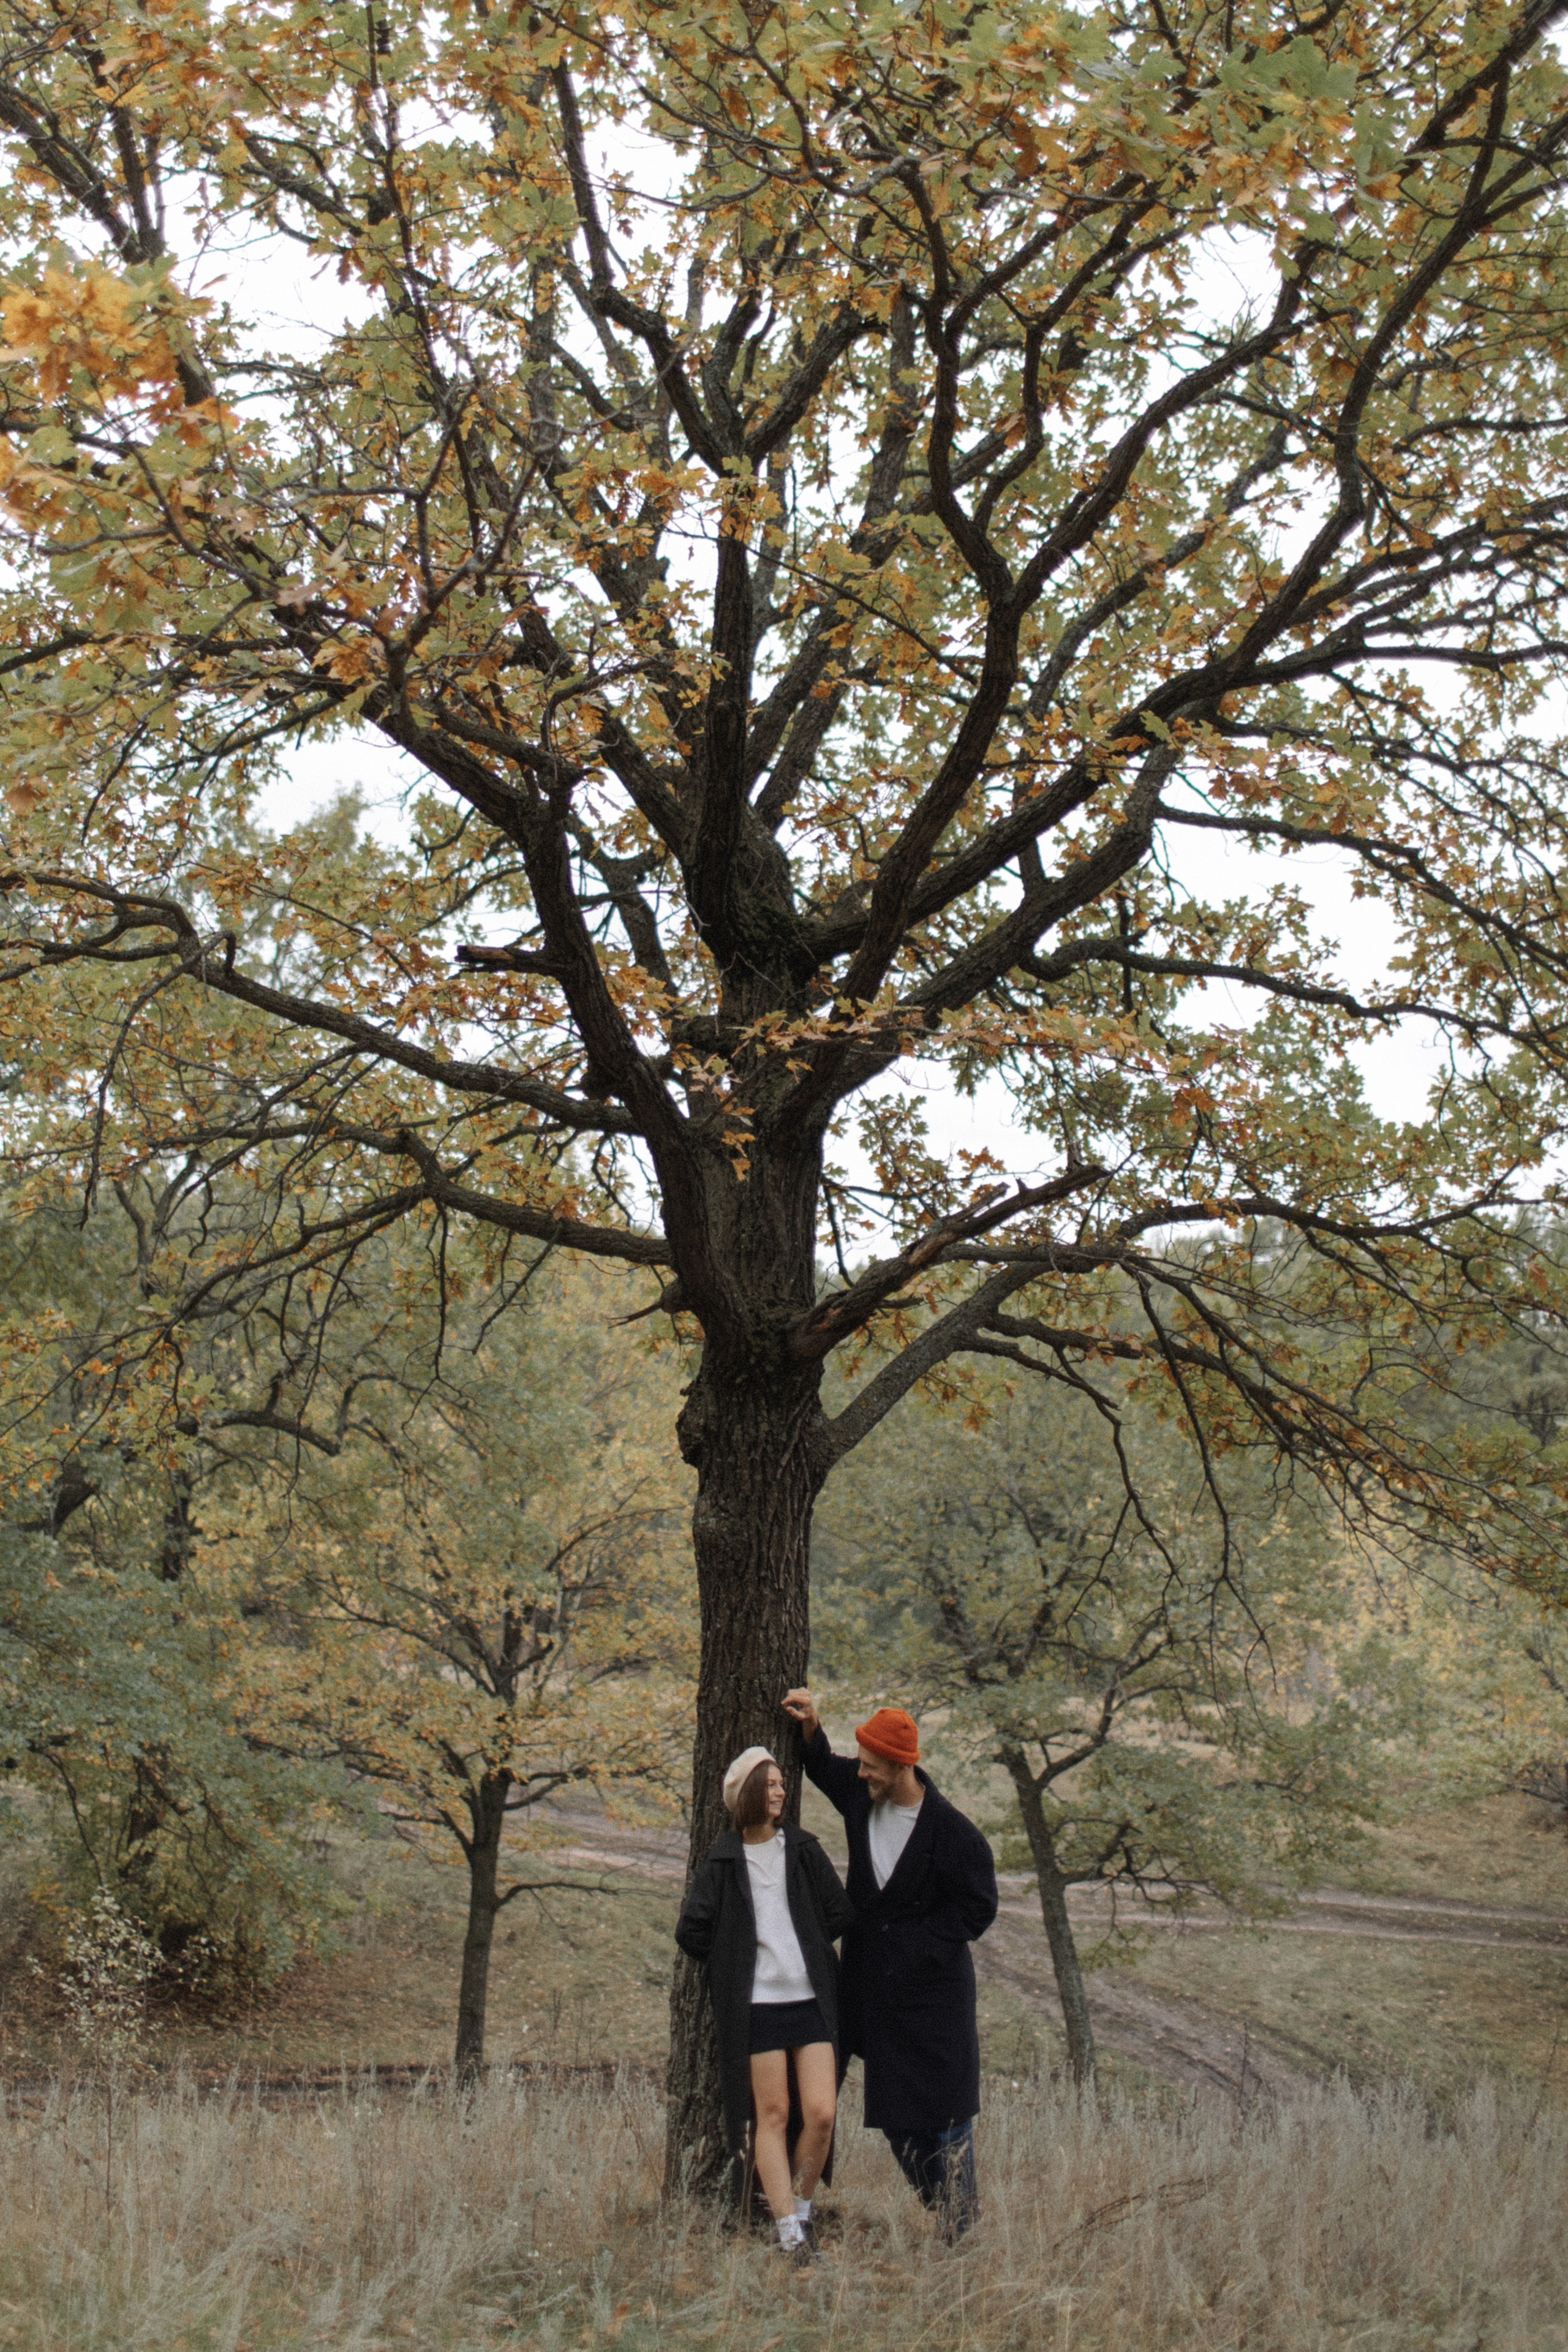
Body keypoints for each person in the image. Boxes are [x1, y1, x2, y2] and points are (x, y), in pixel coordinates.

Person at [782, 1689, 998, 2240]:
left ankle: (961, 2231)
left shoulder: (953, 1833)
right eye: (862, 1764)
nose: (861, 1774)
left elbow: (979, 1907)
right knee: (898, 2121)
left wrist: (918, 1945)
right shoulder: (863, 1798)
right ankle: (946, 2209)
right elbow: (824, 1767)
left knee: (946, 2120)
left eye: (872, 1767)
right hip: (875, 1997)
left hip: (935, 2000)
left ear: (902, 1767)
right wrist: (811, 1730)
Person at [674, 1744, 854, 2260]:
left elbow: (839, 1912)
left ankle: (802, 2209)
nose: (780, 1791)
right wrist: (736, 1958)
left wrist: (808, 1946)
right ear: (748, 1793)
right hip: (758, 2007)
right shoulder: (723, 1861)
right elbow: (691, 1932)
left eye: (781, 1784)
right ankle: (790, 2233)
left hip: (811, 2002)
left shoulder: (802, 1849)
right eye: (770, 1784)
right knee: (771, 2116)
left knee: (821, 2113)